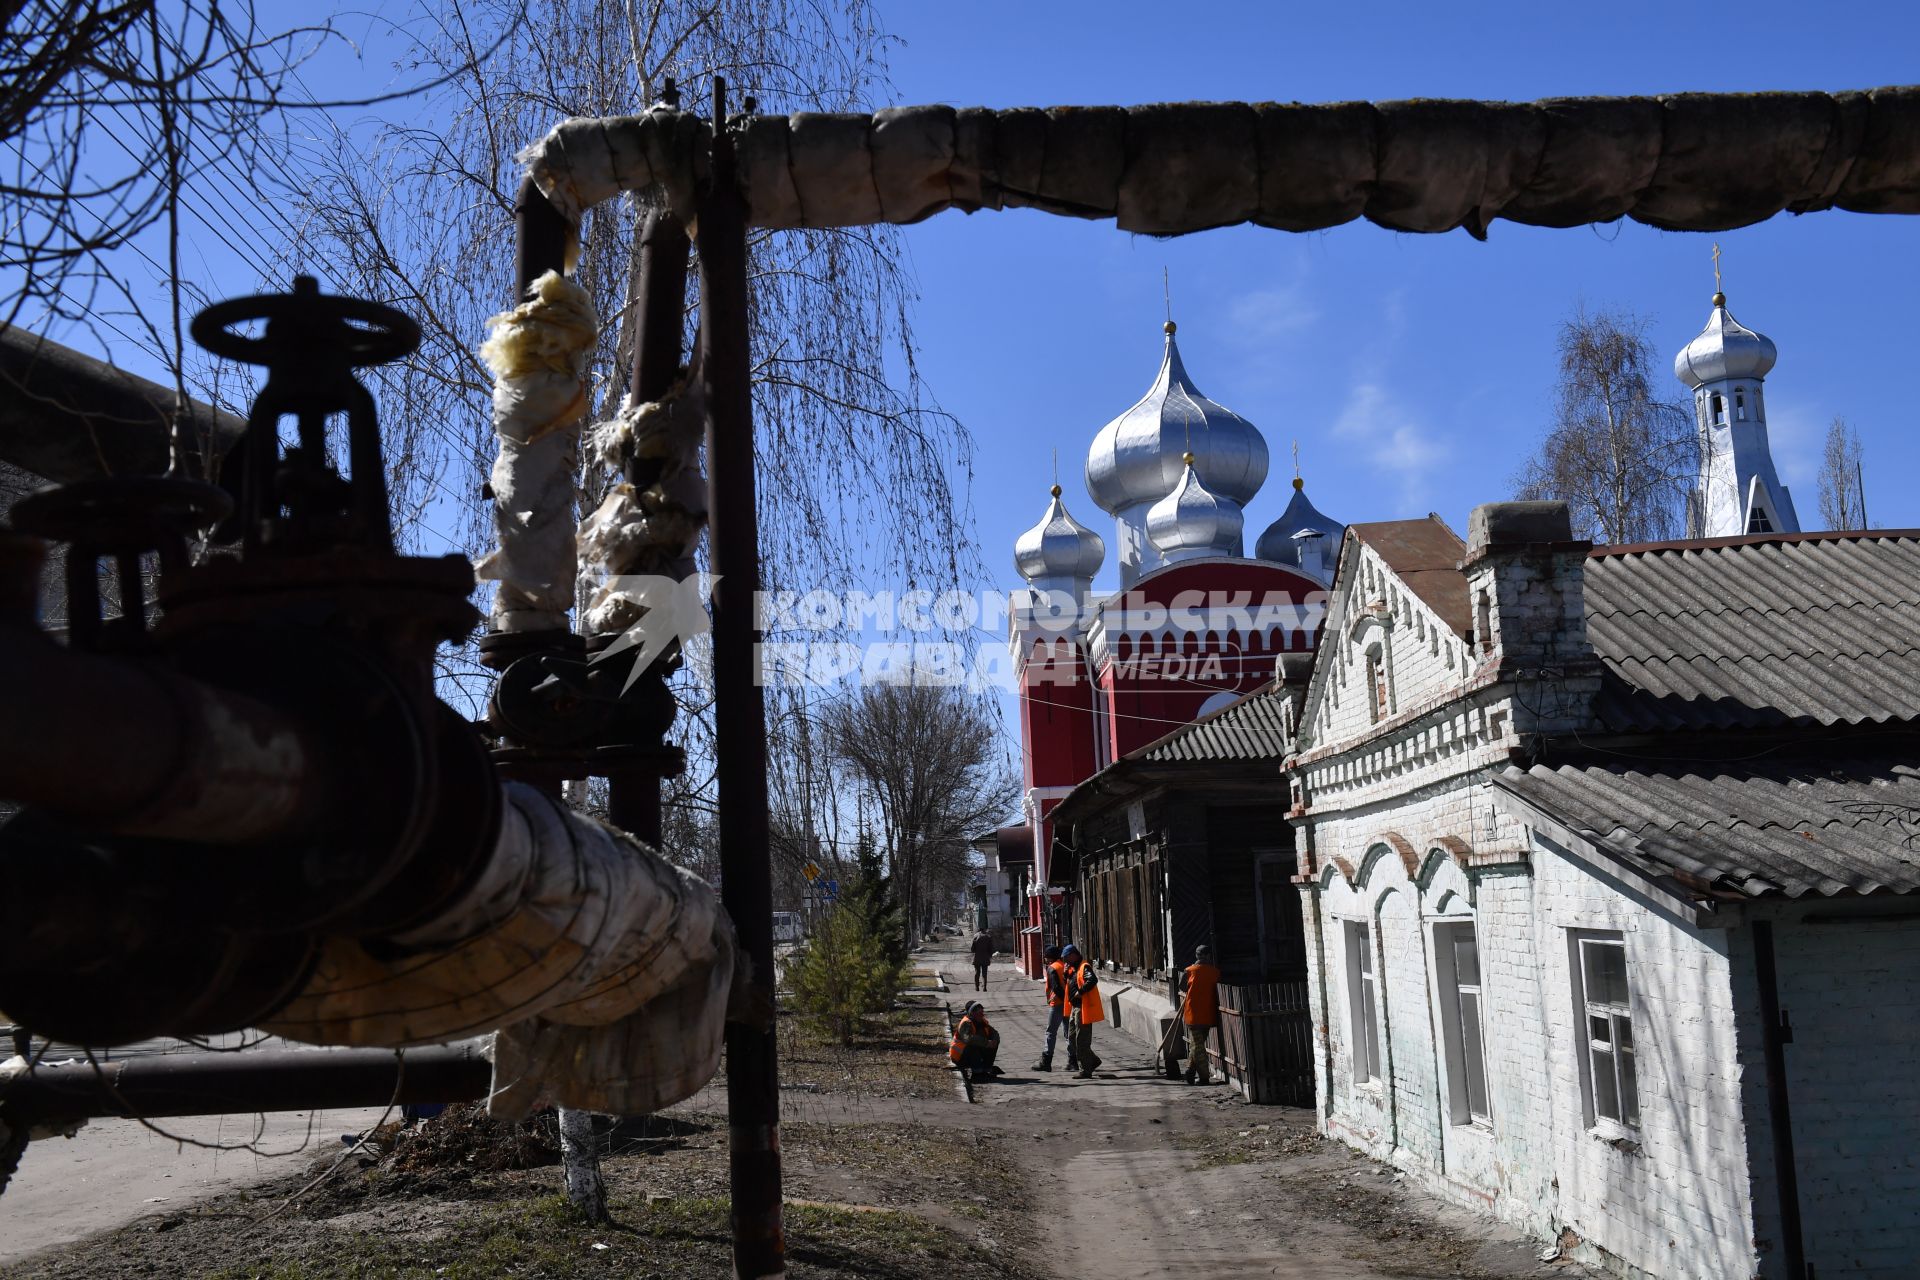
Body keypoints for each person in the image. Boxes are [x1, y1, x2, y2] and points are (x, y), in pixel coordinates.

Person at [1180, 944, 1223, 1085]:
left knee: (1197, 1045)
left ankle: (1203, 1077)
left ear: (1197, 956)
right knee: (1197, 1044)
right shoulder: (1215, 972)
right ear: (1209, 956)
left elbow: (1182, 987)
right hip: (1208, 1013)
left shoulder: (1189, 971)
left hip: (1193, 1014)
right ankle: (1190, 1072)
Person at [1031, 944, 1078, 1072]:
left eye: (1045, 957)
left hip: (1057, 1003)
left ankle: (1046, 1061)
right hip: (1068, 1003)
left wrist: (1062, 1000)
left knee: (1051, 1032)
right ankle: (1073, 1061)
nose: (1044, 959)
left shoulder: (1052, 968)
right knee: (1069, 1033)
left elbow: (1056, 988)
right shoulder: (1064, 965)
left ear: (1049, 957)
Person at [1064, 943, 1103, 1078]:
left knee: (1081, 1040)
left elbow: (1092, 980)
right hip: (1074, 1007)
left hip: (1082, 1007)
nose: (1065, 961)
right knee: (1072, 1037)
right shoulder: (1074, 969)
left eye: (1067, 958)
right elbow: (1070, 983)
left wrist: (1080, 992)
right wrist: (1065, 974)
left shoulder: (1084, 967)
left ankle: (1085, 1070)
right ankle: (1093, 1060)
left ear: (1073, 955)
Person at [949, 1000, 1002, 1082]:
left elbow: (994, 1033)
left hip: (971, 1055)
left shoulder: (982, 1021)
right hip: (959, 1056)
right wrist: (986, 1043)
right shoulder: (966, 1023)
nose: (982, 1014)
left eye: (982, 1012)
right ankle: (977, 1074)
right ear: (972, 1013)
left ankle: (986, 1070)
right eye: (979, 1012)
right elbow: (968, 1039)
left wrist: (994, 1041)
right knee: (973, 1046)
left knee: (993, 1044)